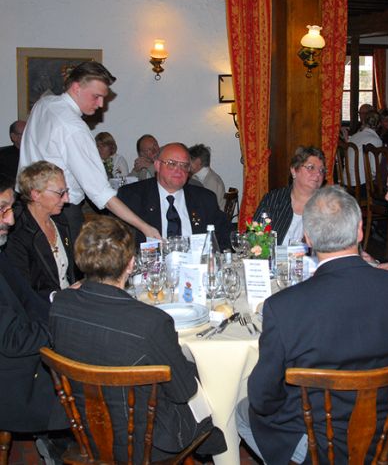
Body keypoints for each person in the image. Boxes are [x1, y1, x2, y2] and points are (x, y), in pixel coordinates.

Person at [237, 185, 388, 464]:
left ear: (308, 238)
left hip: (318, 442)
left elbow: (263, 399)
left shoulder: (284, 306)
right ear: (359, 231)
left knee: (242, 412)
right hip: (387, 430)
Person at [49, 216, 226, 462]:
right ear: (132, 264)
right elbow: (184, 392)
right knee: (210, 385)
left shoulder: (60, 304)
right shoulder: (151, 322)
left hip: (86, 433)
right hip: (146, 444)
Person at [18, 61, 161, 244]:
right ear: (76, 88)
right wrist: (145, 227)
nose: (101, 104)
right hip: (60, 213)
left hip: (27, 205)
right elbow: (101, 192)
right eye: (96, 96)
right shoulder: (74, 128)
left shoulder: (43, 103)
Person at [0, 173, 65, 436]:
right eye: (2, 209)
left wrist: (70, 309)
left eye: (10, 209)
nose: (10, 220)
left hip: (19, 366)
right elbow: (13, 340)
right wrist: (64, 327)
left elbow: (29, 300)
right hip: (14, 386)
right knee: (102, 387)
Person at [118, 142, 231, 248]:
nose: (179, 170)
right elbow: (118, 241)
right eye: (172, 164)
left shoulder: (205, 199)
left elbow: (223, 239)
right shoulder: (132, 197)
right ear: (157, 166)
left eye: (184, 165)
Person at [4, 161, 75, 301]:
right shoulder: (17, 233)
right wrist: (60, 298)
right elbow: (23, 291)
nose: (67, 199)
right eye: (60, 193)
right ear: (35, 195)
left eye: (66, 191)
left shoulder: (60, 221)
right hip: (41, 307)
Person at [253, 145, 326, 245]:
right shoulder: (273, 199)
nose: (318, 174)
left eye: (321, 170)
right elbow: (254, 240)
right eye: (311, 167)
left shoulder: (327, 206)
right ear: (294, 170)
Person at [348, 110, 383, 187]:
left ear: (364, 122)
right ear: (379, 124)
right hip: (361, 185)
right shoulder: (376, 141)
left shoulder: (353, 137)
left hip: (347, 182)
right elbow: (375, 170)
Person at [188, 144, 226, 210]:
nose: (187, 163)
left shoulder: (212, 181)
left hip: (212, 215)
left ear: (198, 161)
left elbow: (207, 206)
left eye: (189, 160)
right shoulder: (199, 177)